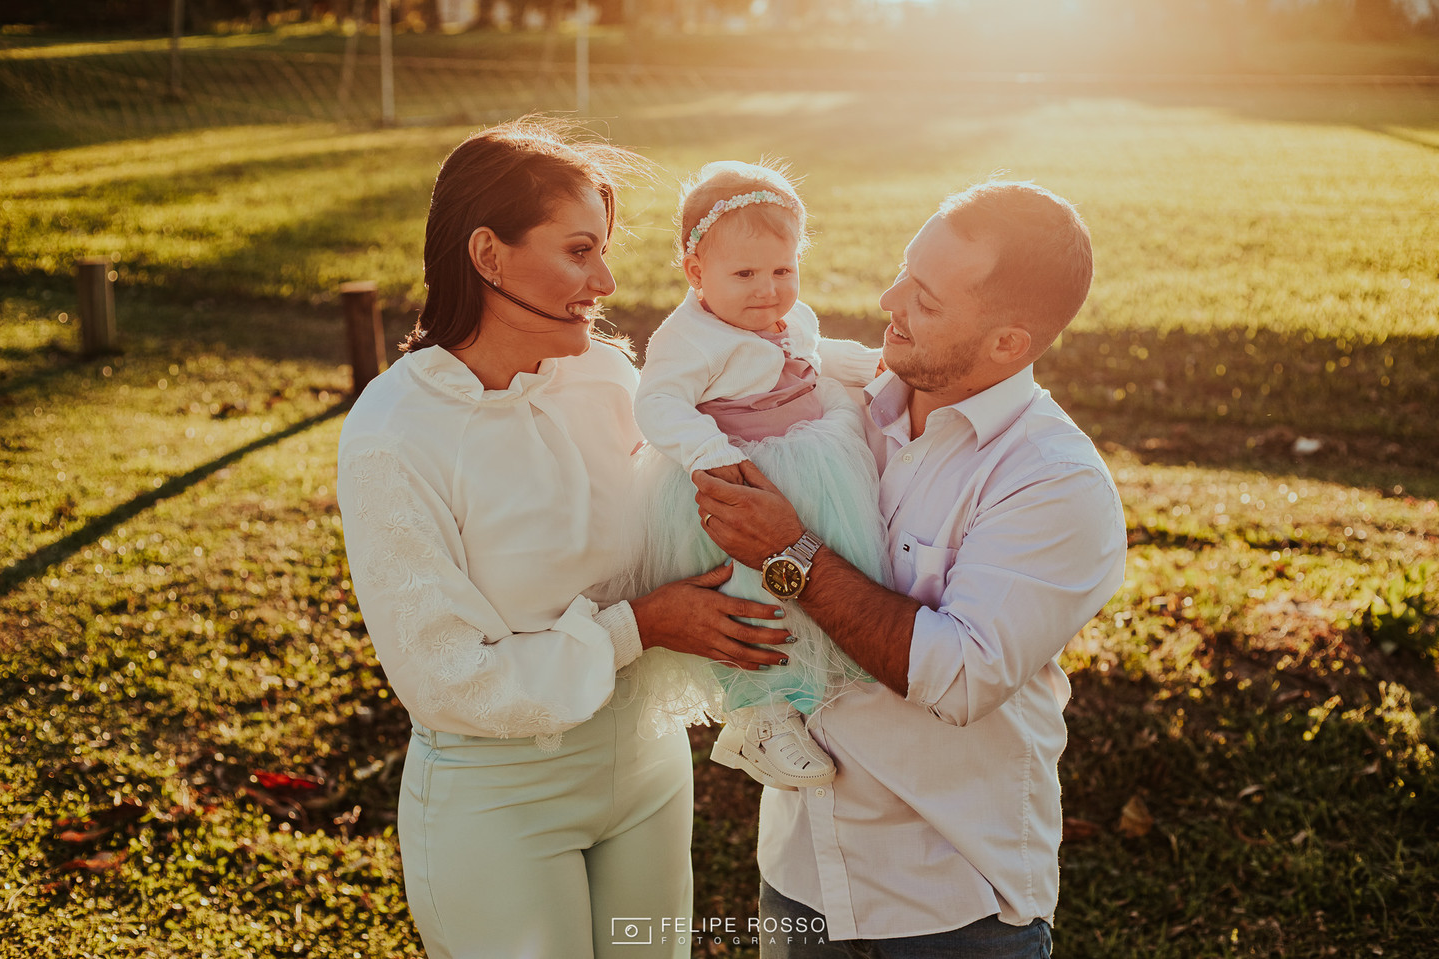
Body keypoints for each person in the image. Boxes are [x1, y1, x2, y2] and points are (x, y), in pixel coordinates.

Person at [335, 120, 792, 959]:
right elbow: (446, 680)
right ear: (488, 255)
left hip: (650, 769)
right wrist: (641, 626)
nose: (607, 280)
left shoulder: (613, 381)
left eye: (604, 251)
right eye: (580, 251)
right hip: (501, 795)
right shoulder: (393, 435)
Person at [694, 180, 1129, 958]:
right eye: (904, 270)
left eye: (924, 298)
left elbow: (959, 677)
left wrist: (790, 554)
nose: (889, 298)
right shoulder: (830, 402)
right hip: (799, 875)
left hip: (951, 905)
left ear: (1007, 344)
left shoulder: (1054, 482)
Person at [624, 160, 889, 791]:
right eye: (744, 274)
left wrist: (882, 364)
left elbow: (815, 354)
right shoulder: (687, 338)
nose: (768, 289)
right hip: (733, 476)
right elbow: (656, 403)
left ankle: (824, 677)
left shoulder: (787, 316)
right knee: (751, 594)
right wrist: (710, 454)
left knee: (820, 569)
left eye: (783, 270)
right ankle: (757, 716)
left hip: (809, 459)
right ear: (696, 273)